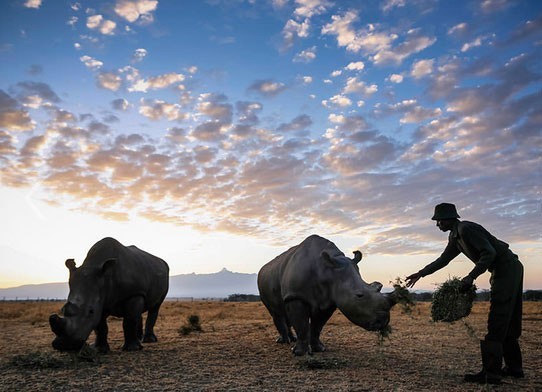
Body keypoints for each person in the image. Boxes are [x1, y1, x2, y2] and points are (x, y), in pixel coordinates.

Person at [405, 203, 524, 385]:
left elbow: (489, 253)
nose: (437, 225)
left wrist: (471, 277)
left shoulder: (466, 228)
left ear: (449, 218)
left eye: (439, 221)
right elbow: (443, 260)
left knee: (498, 318)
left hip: (505, 268)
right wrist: (421, 273)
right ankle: (515, 369)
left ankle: (491, 374)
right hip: (509, 268)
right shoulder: (455, 236)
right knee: (509, 320)